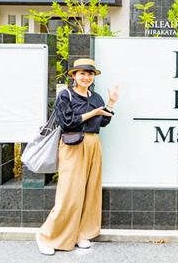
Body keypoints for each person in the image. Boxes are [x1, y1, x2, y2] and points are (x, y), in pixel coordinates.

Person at [35, 58, 119, 256]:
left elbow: (102, 122)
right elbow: (66, 123)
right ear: (73, 75)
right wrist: (92, 113)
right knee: (69, 193)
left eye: (90, 74)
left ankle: (82, 233)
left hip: (93, 144)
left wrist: (111, 103)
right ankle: (46, 236)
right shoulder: (66, 95)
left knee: (90, 192)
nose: (86, 77)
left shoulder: (96, 97)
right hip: (73, 145)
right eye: (82, 73)